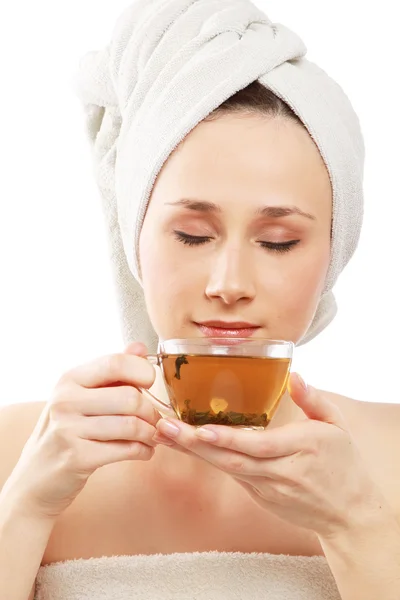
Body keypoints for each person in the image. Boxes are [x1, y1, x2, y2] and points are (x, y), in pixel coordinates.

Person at [1, 1, 400, 599]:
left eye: (278, 241)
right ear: (134, 236)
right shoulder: (18, 452)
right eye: (192, 234)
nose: (228, 281)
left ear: (335, 250)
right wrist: (25, 505)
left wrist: (358, 523)